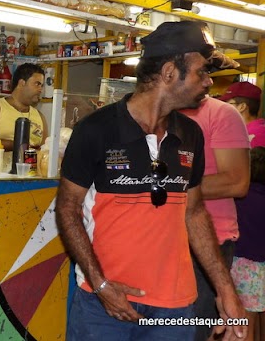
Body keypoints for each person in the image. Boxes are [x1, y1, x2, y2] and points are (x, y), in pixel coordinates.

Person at [56, 21, 247, 340]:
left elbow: (195, 212)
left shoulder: (190, 135)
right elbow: (67, 208)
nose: (208, 82)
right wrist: (100, 283)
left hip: (174, 306)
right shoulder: (96, 130)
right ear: (171, 72)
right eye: (202, 71)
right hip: (104, 303)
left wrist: (225, 289)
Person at [181, 81, 250, 341]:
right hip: (162, 238)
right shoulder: (158, 115)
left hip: (210, 238)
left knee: (196, 329)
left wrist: (171, 186)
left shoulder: (221, 114)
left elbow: (236, 181)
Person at [222, 82, 265, 341]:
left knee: (239, 319)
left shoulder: (248, 133)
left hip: (242, 258)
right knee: (251, 316)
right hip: (258, 263)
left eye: (228, 105)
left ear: (241, 106)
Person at [0, 62, 48, 171]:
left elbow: (44, 151)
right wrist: (15, 145)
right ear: (22, 83)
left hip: (29, 178)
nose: (41, 89)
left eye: (42, 85)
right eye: (37, 84)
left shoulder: (40, 117)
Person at [220, 81, 265, 147]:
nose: (222, 108)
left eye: (227, 104)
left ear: (242, 107)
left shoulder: (255, 135)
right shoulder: (243, 130)